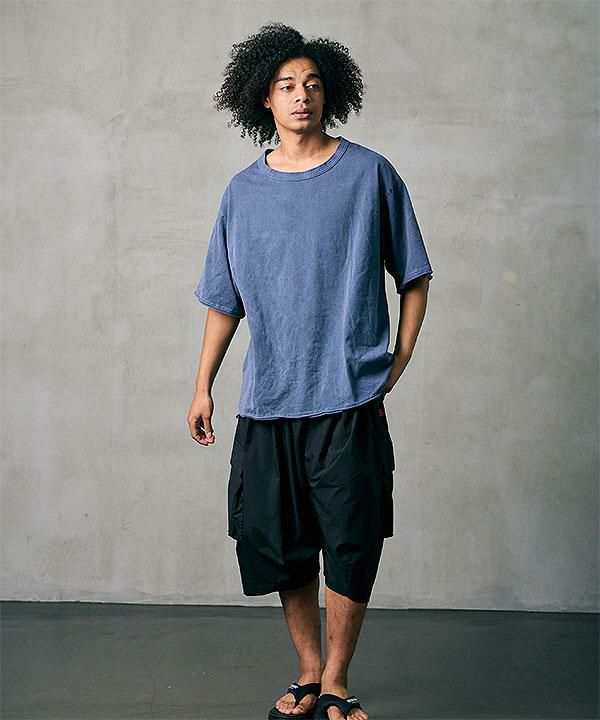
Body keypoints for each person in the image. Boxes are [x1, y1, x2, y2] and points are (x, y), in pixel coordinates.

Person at [187, 22, 433, 720]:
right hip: (268, 402)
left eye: (313, 84)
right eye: (287, 85)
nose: (302, 96)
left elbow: (414, 276)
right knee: (281, 544)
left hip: (347, 400)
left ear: (331, 94)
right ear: (263, 98)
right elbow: (225, 302)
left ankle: (337, 683)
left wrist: (397, 360)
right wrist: (203, 386)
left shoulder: (369, 175)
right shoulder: (242, 192)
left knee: (351, 540)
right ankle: (307, 671)